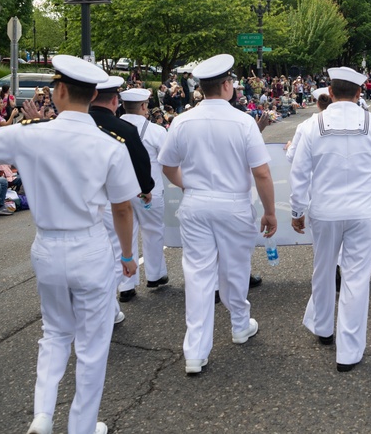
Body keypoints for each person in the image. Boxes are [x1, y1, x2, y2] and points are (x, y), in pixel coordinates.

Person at [0, 57, 139, 434]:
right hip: (90, 245)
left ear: (60, 91)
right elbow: (122, 209)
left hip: (48, 245)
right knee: (92, 343)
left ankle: (43, 414)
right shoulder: (110, 145)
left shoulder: (30, 133)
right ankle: (81, 426)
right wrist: (128, 255)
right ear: (95, 94)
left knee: (54, 332)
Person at [158, 54, 277, 375]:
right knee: (235, 268)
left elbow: (167, 165)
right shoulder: (243, 122)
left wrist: (187, 186)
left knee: (198, 274)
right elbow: (262, 173)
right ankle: (239, 324)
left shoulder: (182, 121)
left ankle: (195, 350)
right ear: (226, 86)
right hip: (233, 204)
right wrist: (269, 211)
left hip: (196, 203)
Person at [290, 66, 371, 372]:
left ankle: (323, 328)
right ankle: (348, 351)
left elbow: (299, 173)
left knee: (323, 270)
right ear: (360, 92)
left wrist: (298, 210)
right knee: (356, 279)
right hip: (363, 210)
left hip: (325, 209)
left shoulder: (312, 125)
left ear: (331, 93)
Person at [89, 76, 156, 308]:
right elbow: (140, 160)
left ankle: (110, 302)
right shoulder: (124, 129)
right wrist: (146, 189)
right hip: (111, 196)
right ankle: (122, 290)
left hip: (79, 199)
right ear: (115, 100)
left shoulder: (77, 125)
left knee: (96, 251)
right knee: (120, 244)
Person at [119, 87, 169, 290]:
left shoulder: (114, 128)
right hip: (151, 189)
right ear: (143, 106)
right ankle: (155, 276)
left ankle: (126, 285)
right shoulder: (156, 131)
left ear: (123, 106)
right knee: (153, 233)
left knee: (124, 235)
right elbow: (167, 159)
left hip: (120, 190)